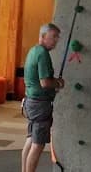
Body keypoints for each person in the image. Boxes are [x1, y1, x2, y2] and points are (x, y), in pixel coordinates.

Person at [21, 23, 63, 172]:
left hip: (31, 102)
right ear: (43, 36)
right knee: (38, 144)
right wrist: (58, 82)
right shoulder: (43, 54)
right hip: (40, 105)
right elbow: (45, 83)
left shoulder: (34, 51)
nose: (56, 40)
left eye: (57, 37)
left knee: (30, 139)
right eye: (53, 37)